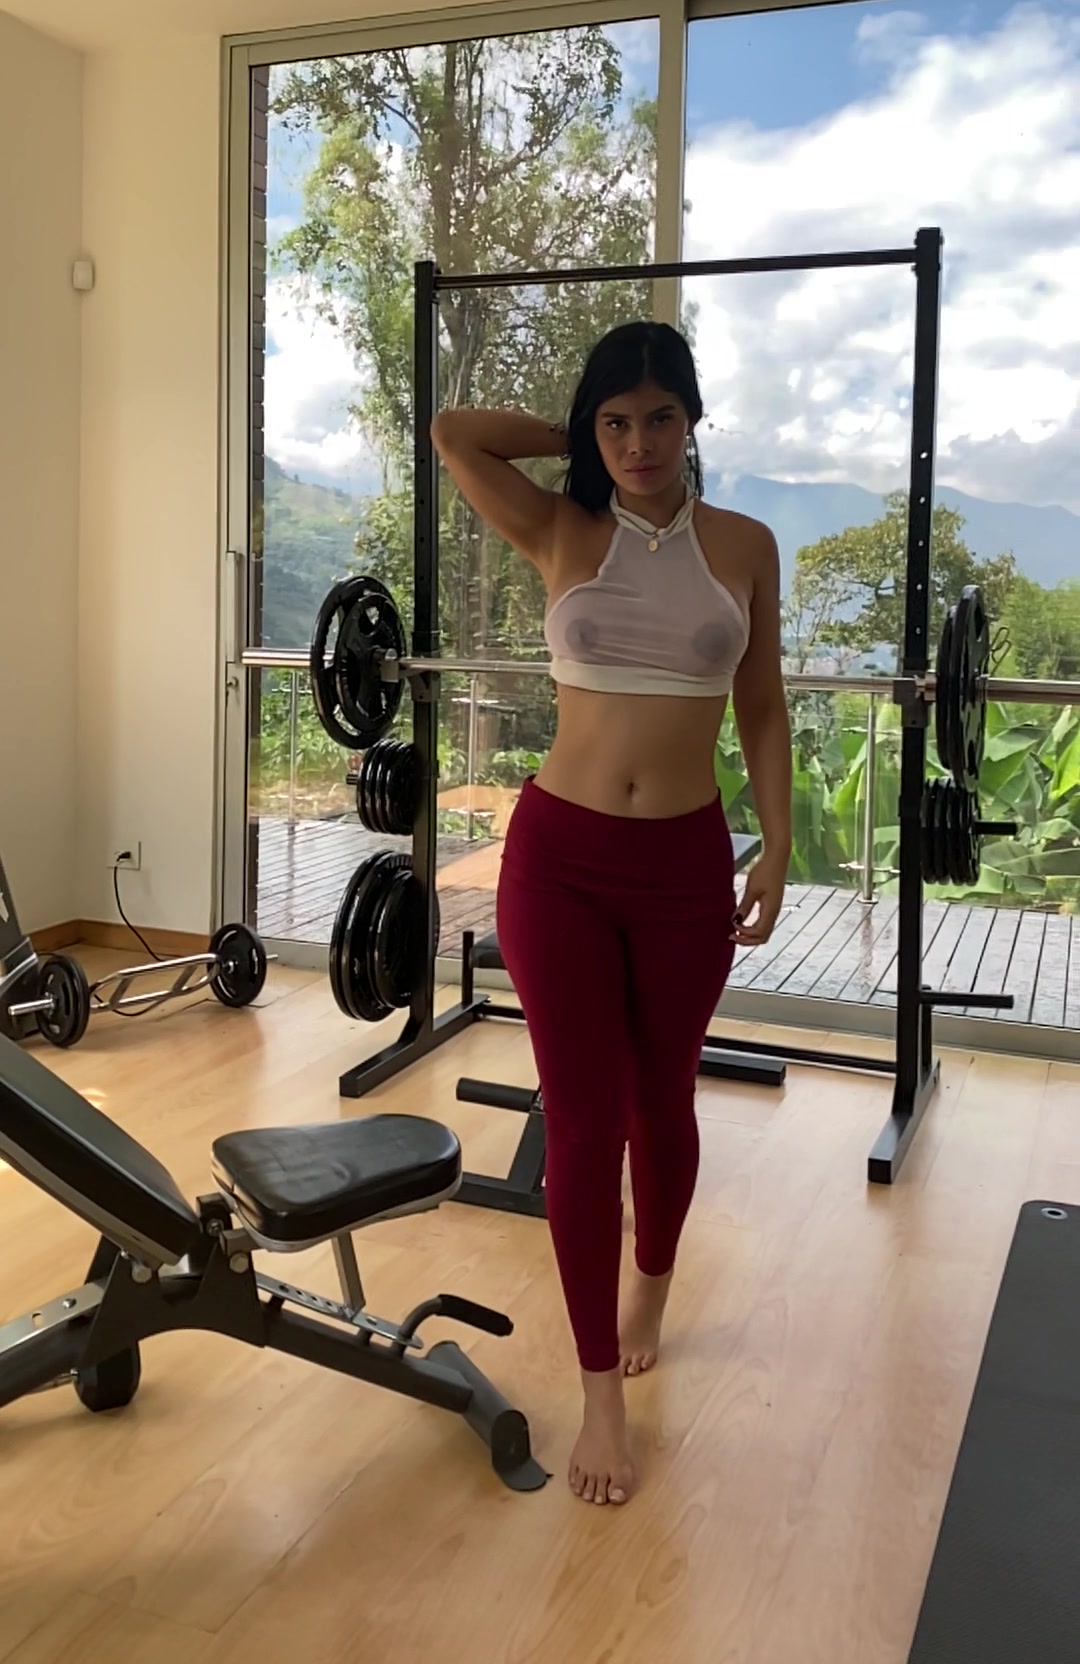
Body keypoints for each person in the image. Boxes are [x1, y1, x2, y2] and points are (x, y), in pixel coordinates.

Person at [432, 321, 792, 1507]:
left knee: (661, 1105)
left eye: (660, 418)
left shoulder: (744, 545)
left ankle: (653, 1280)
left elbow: (763, 705)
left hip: (683, 863)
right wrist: (576, 431)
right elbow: (453, 432)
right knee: (584, 1126)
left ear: (695, 421)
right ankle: (598, 1392)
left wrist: (778, 843)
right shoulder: (561, 526)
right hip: (561, 864)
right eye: (617, 421)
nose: (640, 443)